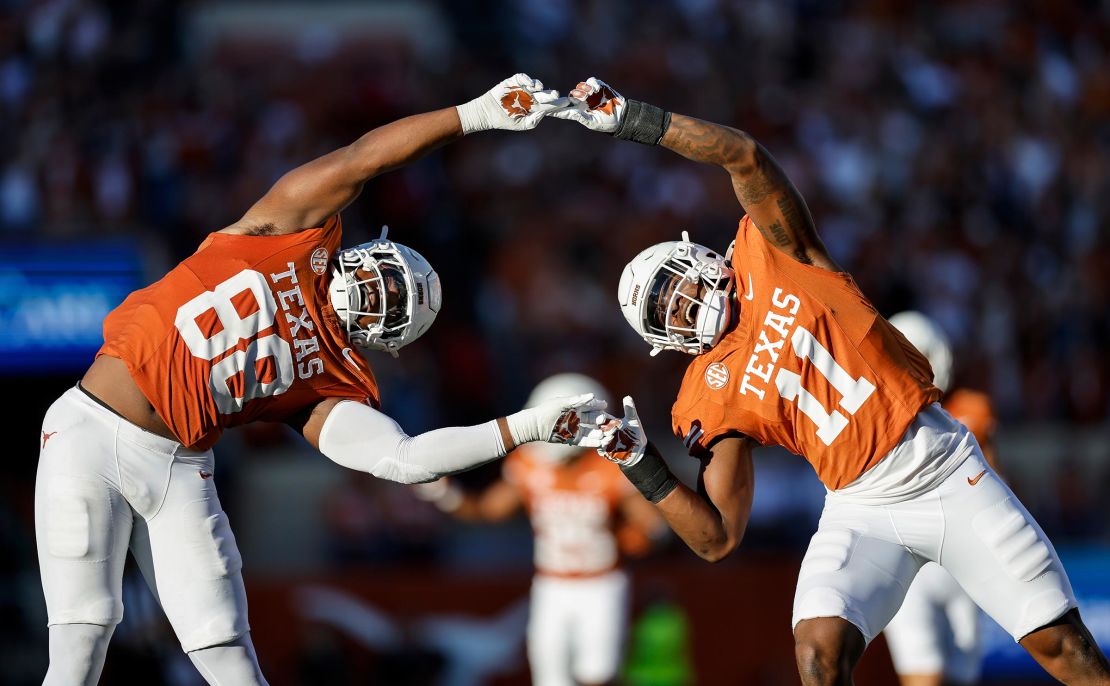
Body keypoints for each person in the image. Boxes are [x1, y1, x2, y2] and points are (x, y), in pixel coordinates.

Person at [34, 73, 608, 686]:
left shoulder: (330, 378)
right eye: (391, 277)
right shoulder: (288, 231)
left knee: (227, 653)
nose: (381, 291)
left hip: (179, 465)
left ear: (387, 338)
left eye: (396, 301)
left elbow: (407, 459)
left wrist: (528, 426)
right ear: (373, 252)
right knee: (81, 642)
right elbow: (365, 157)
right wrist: (475, 114)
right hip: (90, 428)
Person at [550, 77, 1110, 685]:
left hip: (943, 466)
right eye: (669, 311)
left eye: (676, 282)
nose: (685, 302)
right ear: (667, 341)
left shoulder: (772, 251)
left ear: (700, 257)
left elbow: (742, 154)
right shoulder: (710, 393)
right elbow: (716, 538)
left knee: (1061, 645)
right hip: (859, 506)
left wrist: (633, 118)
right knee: (818, 654)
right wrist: (639, 461)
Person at [415, 373, 665, 686]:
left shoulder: (609, 467)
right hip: (552, 585)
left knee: (599, 675)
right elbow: (489, 510)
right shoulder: (530, 464)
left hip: (601, 583)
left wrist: (635, 536)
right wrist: (444, 493)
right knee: (550, 677)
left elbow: (652, 528)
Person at [881, 311, 1000, 686]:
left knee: (964, 675)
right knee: (924, 675)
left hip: (963, 561)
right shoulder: (877, 414)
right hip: (911, 563)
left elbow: (993, 484)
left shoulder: (971, 408)